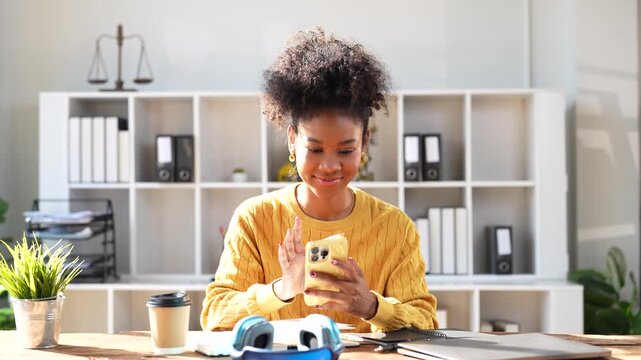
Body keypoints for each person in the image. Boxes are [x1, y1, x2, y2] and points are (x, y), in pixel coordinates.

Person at [201, 28, 438, 333]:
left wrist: (370, 306)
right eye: (314, 149)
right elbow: (214, 317)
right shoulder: (254, 218)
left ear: (364, 143)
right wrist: (282, 289)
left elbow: (427, 324)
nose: (329, 166)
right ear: (291, 141)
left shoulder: (395, 227)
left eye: (345, 150)